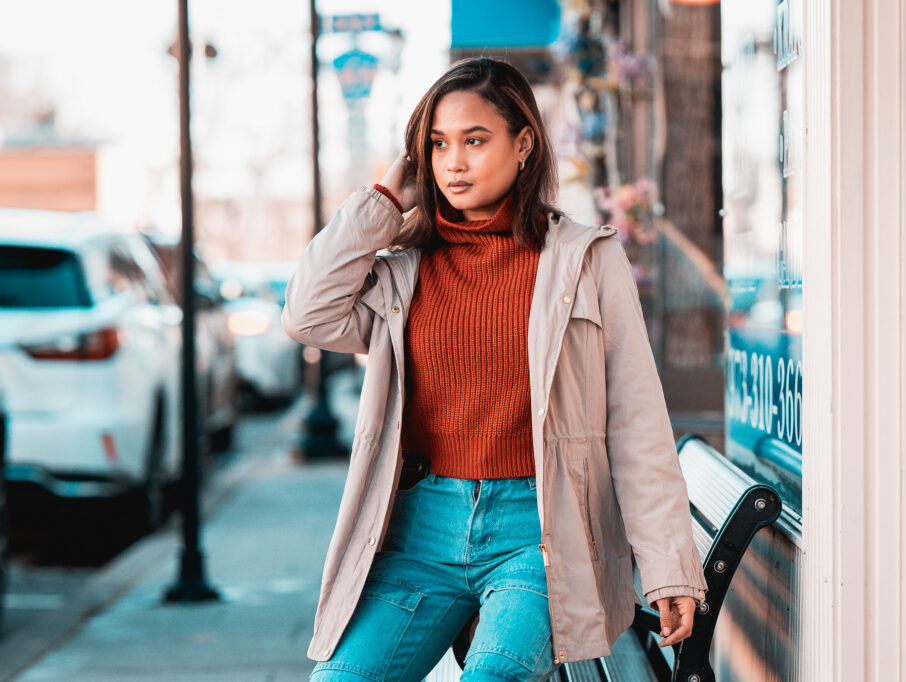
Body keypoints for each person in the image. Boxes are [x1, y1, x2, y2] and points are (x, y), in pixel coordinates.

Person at [283, 57, 708, 682]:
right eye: (437, 144)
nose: (453, 162)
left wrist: (670, 564)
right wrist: (381, 203)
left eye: (475, 141)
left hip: (539, 537)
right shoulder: (404, 267)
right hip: (417, 532)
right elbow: (307, 316)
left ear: (524, 143)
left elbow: (637, 419)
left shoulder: (586, 260)